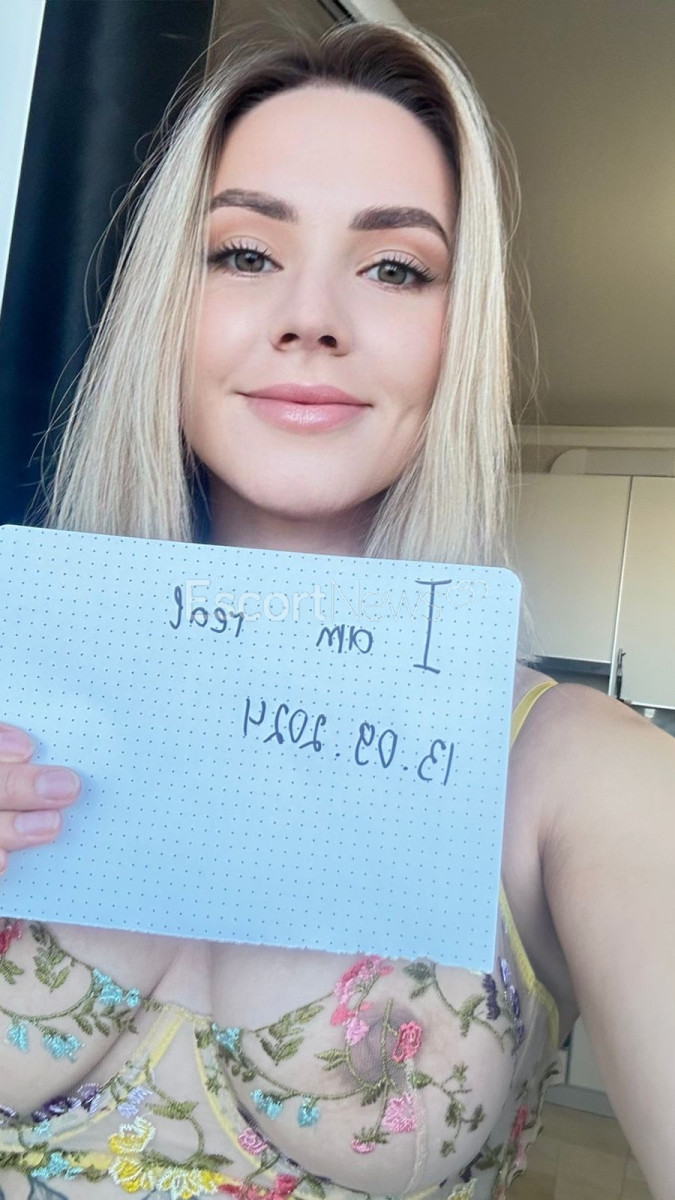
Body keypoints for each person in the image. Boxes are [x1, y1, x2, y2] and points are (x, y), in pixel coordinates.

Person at [0, 18, 673, 1200]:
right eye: (244, 253)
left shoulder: (581, 775)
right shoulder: (17, 684)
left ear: (457, 336)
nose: (311, 317)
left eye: (395, 267)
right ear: (165, 307)